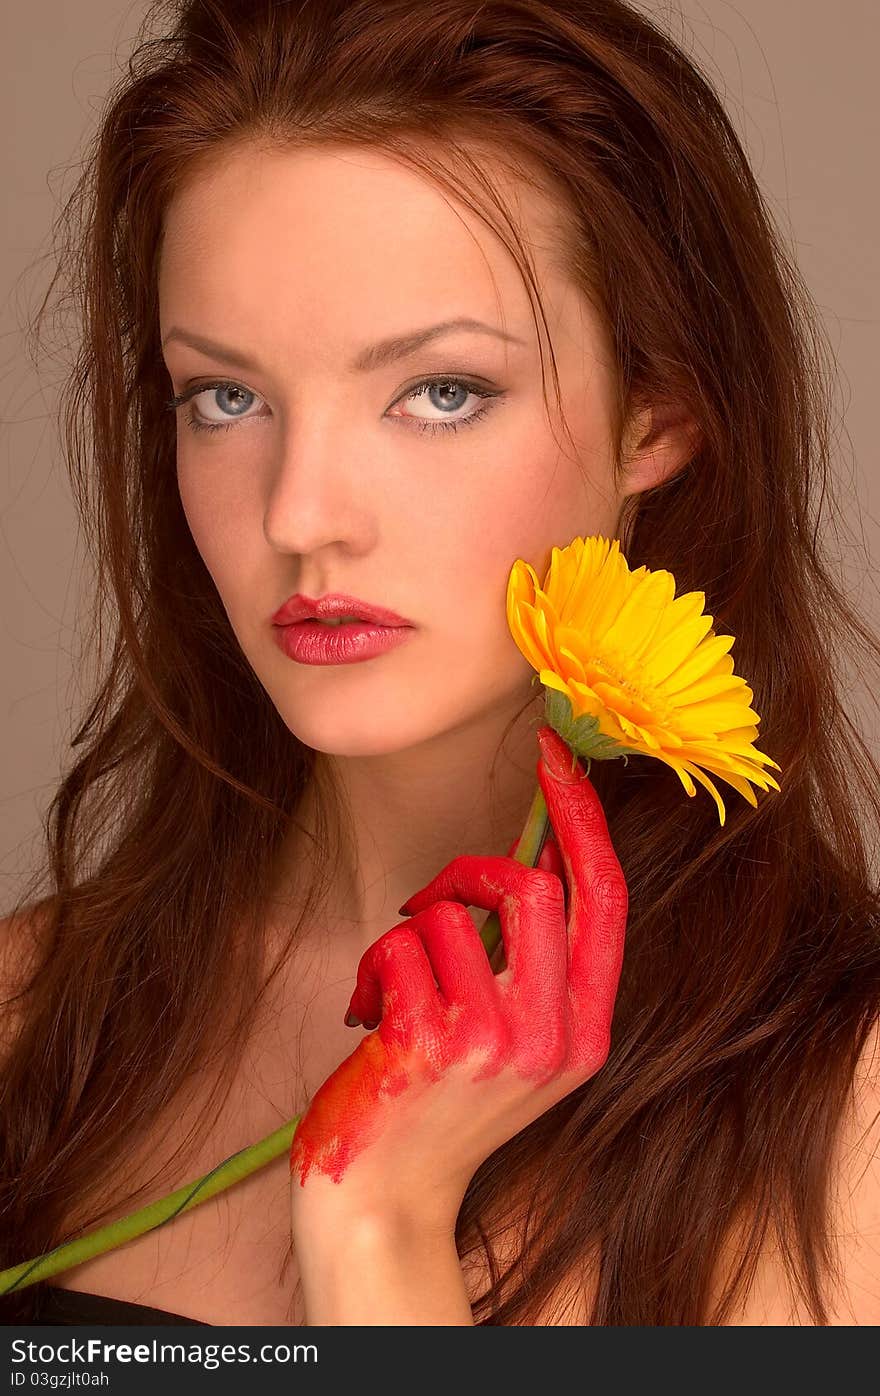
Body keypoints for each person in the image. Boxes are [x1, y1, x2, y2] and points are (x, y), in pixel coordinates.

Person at [1, 0, 879, 1327]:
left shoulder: (846, 1121)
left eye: (441, 393)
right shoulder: (28, 1020)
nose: (300, 515)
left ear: (661, 413)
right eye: (225, 397)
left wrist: (381, 1227)